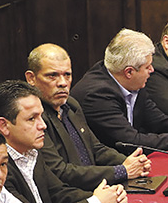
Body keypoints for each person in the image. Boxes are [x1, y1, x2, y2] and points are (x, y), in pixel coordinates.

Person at [0, 80, 126, 203]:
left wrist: (108, 196)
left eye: (41, 116)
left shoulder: (31, 152)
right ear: (4, 126)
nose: (43, 125)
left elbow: (59, 193)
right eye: (32, 119)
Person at [72, 28, 168, 152]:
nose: (152, 70)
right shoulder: (98, 94)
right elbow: (130, 141)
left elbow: (158, 120)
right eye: (147, 67)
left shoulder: (132, 82)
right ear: (129, 72)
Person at [25, 43, 152, 191]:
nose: (62, 83)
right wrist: (121, 171)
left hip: (97, 188)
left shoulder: (71, 104)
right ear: (31, 78)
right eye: (52, 76)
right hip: (71, 197)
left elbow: (95, 148)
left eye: (67, 75)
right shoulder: (33, 118)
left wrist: (130, 162)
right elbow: (59, 171)